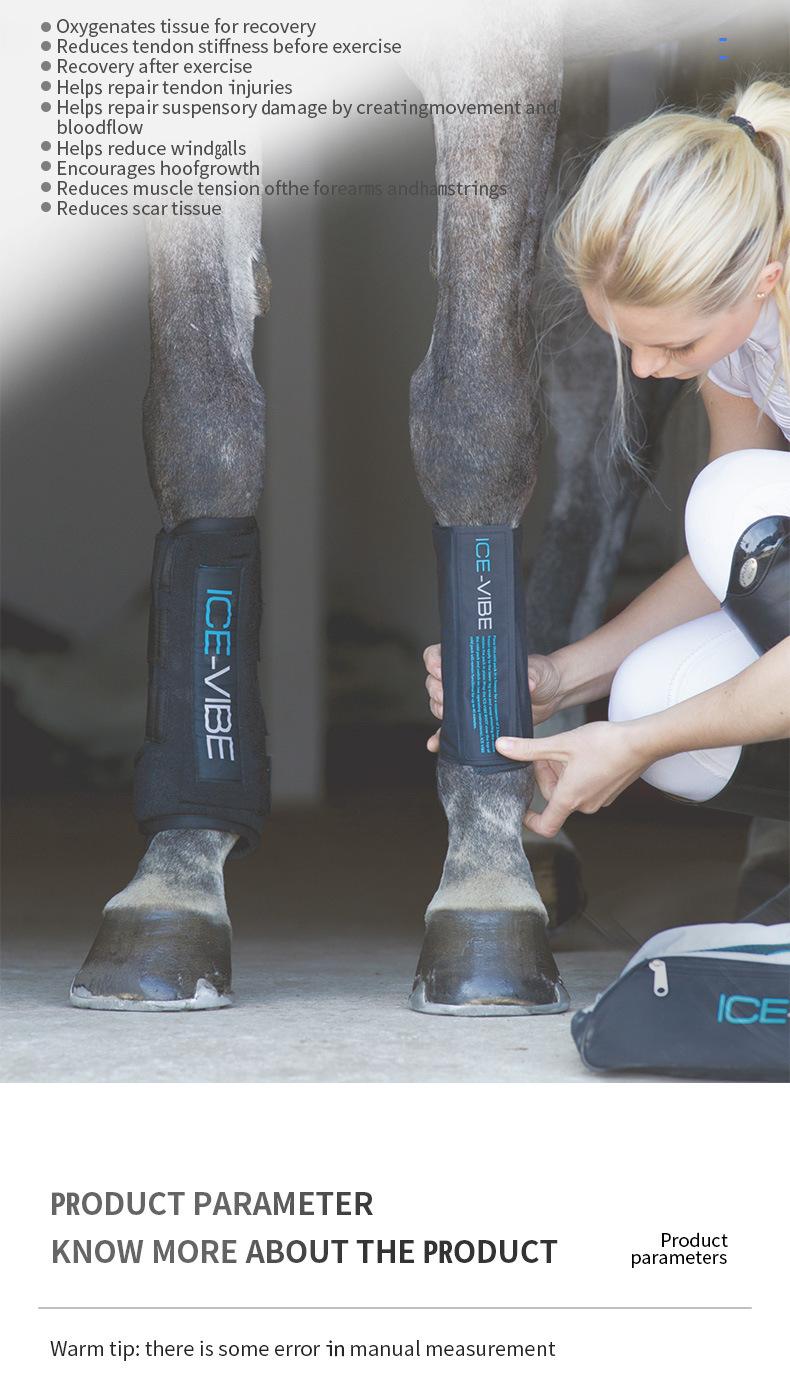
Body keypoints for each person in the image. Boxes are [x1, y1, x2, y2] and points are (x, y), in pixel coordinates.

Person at [424, 79, 790, 840]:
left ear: (766, 277)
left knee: (728, 495)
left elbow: (740, 518)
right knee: (653, 694)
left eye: (674, 344)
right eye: (629, 343)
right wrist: (561, 678)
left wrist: (632, 746)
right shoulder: (740, 339)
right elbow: (734, 561)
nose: (647, 370)